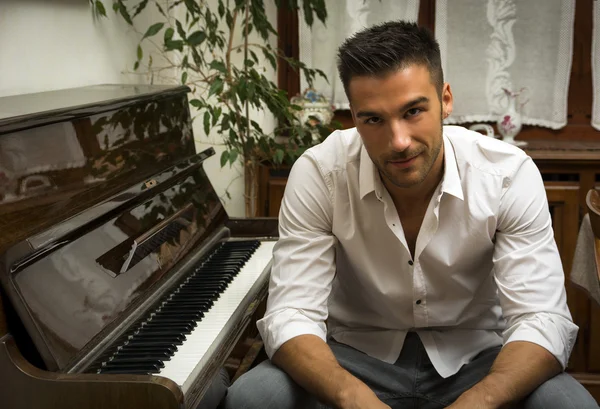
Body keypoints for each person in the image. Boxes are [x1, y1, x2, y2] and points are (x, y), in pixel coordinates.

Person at [224, 21, 599, 409]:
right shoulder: (321, 173)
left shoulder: (507, 175)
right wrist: (352, 397)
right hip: (353, 357)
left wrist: (480, 401)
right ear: (353, 116)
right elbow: (292, 312)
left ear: (446, 99)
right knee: (252, 398)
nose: (399, 141)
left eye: (414, 111)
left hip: (477, 360)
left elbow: (542, 318)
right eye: (373, 119)